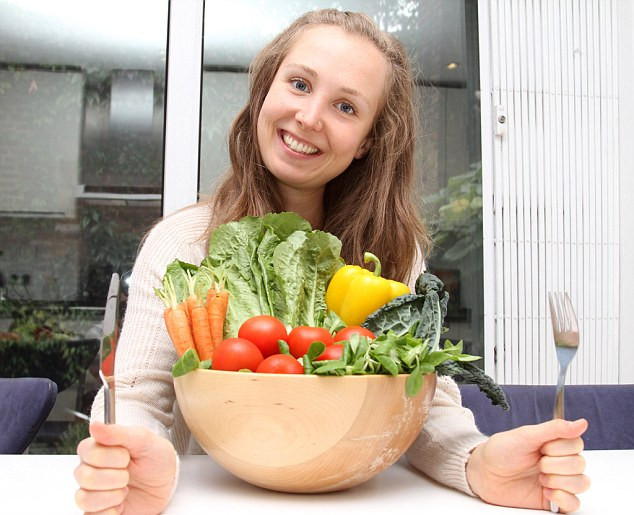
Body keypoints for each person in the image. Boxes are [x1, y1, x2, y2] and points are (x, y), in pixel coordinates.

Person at [74, 9, 590, 515]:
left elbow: (426, 400)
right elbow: (140, 393)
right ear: (264, 92)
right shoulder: (182, 242)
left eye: (346, 107)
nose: (310, 116)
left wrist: (476, 461)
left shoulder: (392, 253)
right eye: (299, 84)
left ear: (367, 140)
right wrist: (135, 456)